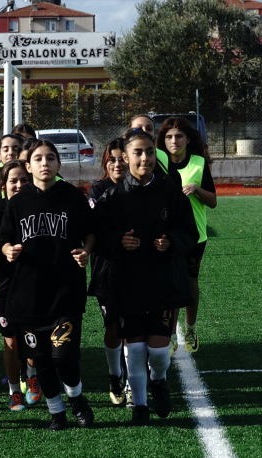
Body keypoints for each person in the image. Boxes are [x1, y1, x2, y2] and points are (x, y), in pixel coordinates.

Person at [94, 129, 198, 425]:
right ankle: (139, 405)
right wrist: (117, 241)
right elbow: (97, 237)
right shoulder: (112, 197)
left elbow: (189, 232)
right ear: (125, 158)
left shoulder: (170, 192)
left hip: (164, 282)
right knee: (136, 350)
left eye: (150, 152)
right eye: (138, 153)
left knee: (158, 352)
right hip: (127, 283)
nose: (145, 158)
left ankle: (160, 380)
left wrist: (171, 243)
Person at [0, 140, 96, 431]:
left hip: (66, 290)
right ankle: (57, 412)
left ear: (58, 165)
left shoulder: (73, 197)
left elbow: (91, 232)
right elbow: (3, 237)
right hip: (28, 294)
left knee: (62, 357)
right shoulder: (17, 202)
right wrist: (7, 250)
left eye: (50, 158)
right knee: (41, 359)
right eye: (38, 159)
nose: (45, 163)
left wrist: (86, 251)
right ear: (28, 166)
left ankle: (77, 399)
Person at [0, 160, 43, 411]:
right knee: (12, 341)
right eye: (13, 181)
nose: (19, 185)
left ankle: (32, 376)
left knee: (33, 336)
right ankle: (14, 391)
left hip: (33, 281)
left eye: (24, 180)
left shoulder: (38, 208)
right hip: (4, 283)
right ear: (3, 185)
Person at [156, 117, 217, 356]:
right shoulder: (158, 162)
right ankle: (170, 335)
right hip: (168, 235)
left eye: (179, 136)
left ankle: (190, 329)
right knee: (169, 285)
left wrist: (196, 189)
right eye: (169, 137)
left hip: (195, 236)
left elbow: (212, 201)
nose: (174, 141)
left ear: (188, 139)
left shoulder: (199, 164)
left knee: (191, 282)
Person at [86, 138, 128, 405]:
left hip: (139, 269)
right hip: (107, 271)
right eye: (111, 159)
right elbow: (94, 231)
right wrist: (118, 238)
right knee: (113, 327)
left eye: (122, 158)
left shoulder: (143, 187)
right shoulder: (98, 190)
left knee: (133, 328)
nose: (117, 163)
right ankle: (115, 376)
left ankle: (135, 381)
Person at [126, 114, 182, 187]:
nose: (144, 131)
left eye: (149, 129)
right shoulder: (121, 153)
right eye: (138, 128)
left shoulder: (162, 154)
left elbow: (176, 181)